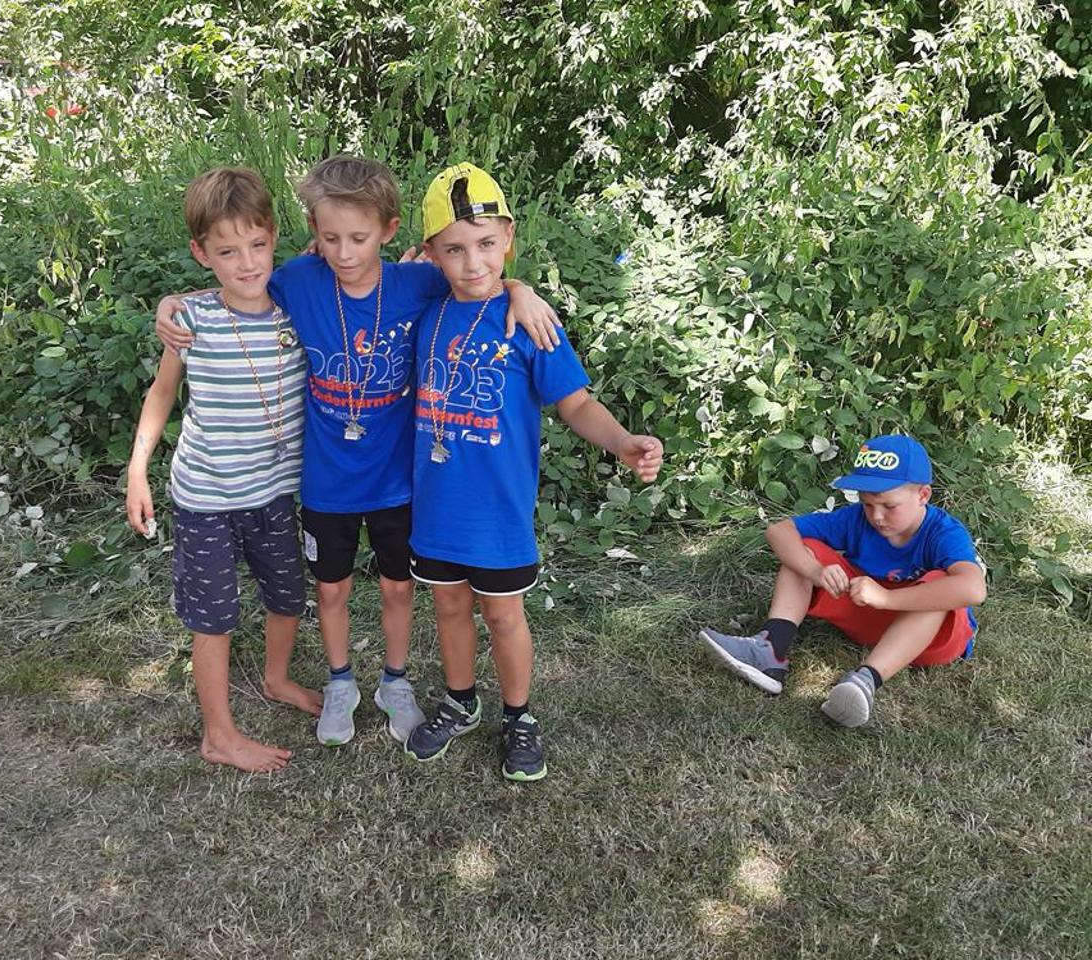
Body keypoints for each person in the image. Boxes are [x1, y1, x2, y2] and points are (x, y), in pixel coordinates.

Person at [153, 156, 561, 749]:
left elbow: (478, 282)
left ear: (389, 231)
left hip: (397, 479)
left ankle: (396, 681)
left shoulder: (415, 283)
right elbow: (238, 283)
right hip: (327, 482)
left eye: (359, 238)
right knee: (331, 590)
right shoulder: (300, 279)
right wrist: (173, 301)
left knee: (398, 588)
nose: (344, 253)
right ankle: (340, 681)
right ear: (313, 233)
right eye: (331, 238)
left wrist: (522, 290)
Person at [402, 162, 663, 781]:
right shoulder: (423, 307)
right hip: (436, 506)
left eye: (486, 244)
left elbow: (575, 403)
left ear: (509, 239)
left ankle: (519, 716)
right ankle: (460, 702)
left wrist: (622, 441)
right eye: (455, 249)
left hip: (498, 512)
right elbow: (360, 280)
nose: (473, 262)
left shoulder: (530, 321)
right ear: (432, 253)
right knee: (448, 608)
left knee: (503, 615)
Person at [126, 166, 321, 773]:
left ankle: (277, 679)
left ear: (274, 238)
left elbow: (358, 262)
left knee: (288, 595)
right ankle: (219, 734)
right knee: (213, 617)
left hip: (276, 493)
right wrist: (137, 472)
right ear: (201, 253)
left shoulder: (297, 306)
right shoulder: (192, 319)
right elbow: (161, 394)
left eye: (257, 245)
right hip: (207, 498)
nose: (247, 262)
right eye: (228, 251)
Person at [698, 434, 987, 727]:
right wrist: (815, 571)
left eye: (889, 506)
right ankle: (770, 651)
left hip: (932, 640)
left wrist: (887, 598)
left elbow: (973, 589)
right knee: (805, 549)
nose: (876, 516)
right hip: (870, 617)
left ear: (923, 495)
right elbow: (779, 531)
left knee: (942, 583)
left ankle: (865, 680)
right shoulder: (856, 519)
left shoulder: (943, 531)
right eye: (867, 504)